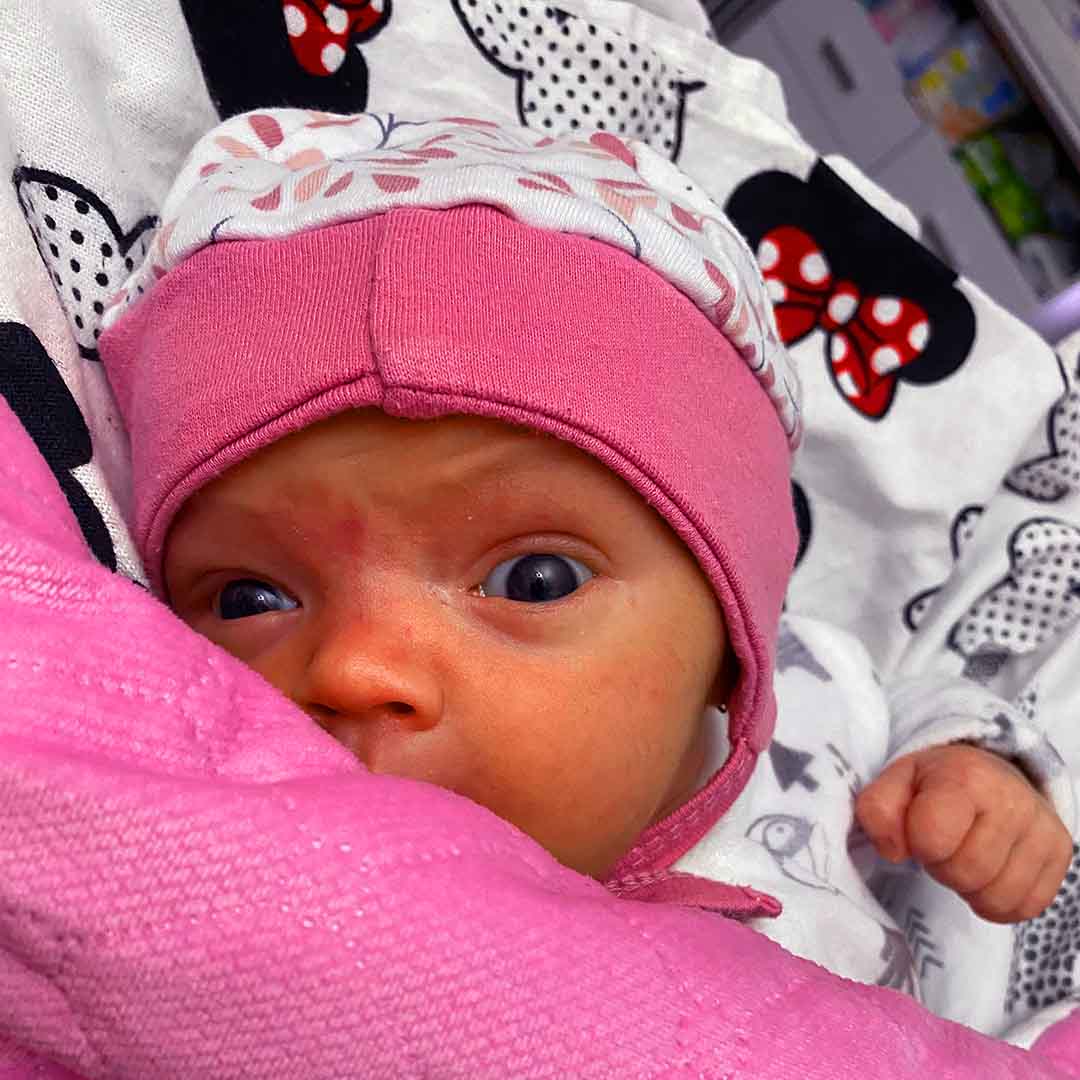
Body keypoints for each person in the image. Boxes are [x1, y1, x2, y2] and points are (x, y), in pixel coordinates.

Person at [100, 108, 1073, 1030]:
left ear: (730, 646)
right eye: (251, 598)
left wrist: (972, 773)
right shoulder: (281, 930)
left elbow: (910, 702)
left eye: (535, 580)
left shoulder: (815, 687)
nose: (353, 669)